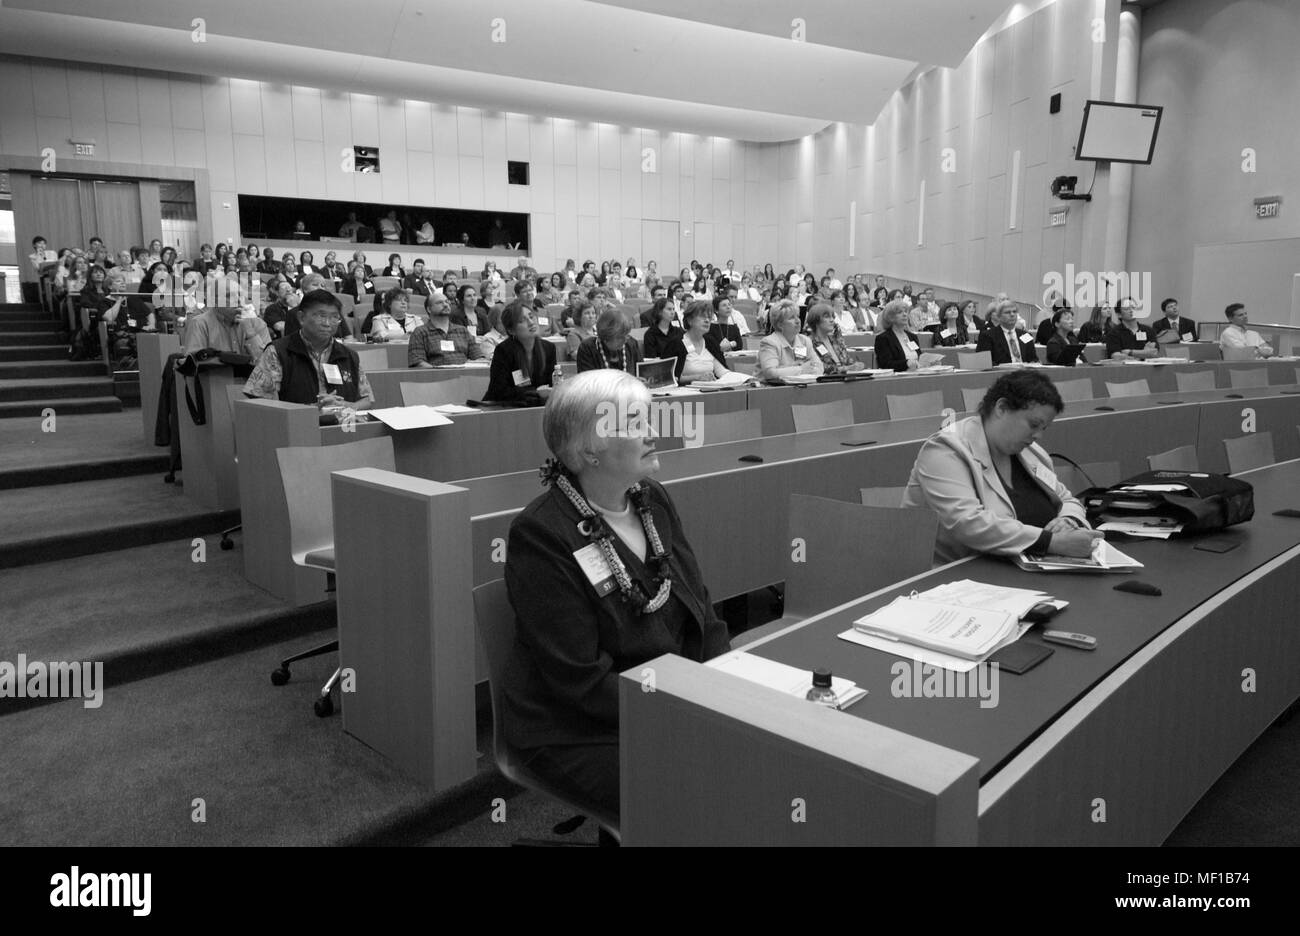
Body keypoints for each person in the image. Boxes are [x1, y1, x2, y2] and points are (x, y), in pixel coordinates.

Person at [502, 370, 730, 820]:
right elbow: (580, 682)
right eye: (633, 424)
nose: (652, 432)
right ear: (589, 451)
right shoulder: (543, 534)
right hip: (578, 726)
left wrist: (727, 679)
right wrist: (682, 711)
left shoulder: (651, 499)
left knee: (760, 752)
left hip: (667, 694)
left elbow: (700, 608)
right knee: (708, 787)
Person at [901, 370, 1100, 565]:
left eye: (1043, 428)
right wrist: (1052, 542)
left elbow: (1066, 498)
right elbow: (968, 524)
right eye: (1033, 424)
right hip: (954, 579)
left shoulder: (1031, 452)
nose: (1038, 435)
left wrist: (1068, 521)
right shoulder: (946, 449)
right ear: (1002, 408)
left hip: (1022, 569)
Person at [243, 290, 373, 409]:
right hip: (296, 429)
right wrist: (310, 409)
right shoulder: (278, 351)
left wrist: (344, 405)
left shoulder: (349, 355)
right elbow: (259, 398)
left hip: (343, 429)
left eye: (334, 317)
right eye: (321, 316)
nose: (327, 323)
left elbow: (366, 401)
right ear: (301, 318)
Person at [484, 303, 556, 404]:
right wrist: (535, 393)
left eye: (531, 316)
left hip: (537, 405)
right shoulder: (504, 351)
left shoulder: (548, 348)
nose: (531, 322)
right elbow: (499, 390)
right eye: (522, 321)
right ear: (511, 330)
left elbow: (551, 383)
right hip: (504, 408)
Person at [181, 280, 271, 359]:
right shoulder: (200, 324)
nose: (238, 300)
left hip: (252, 378)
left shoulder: (258, 324)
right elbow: (193, 364)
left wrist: (250, 333)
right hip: (216, 376)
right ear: (214, 300)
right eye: (229, 295)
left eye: (240, 294)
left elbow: (268, 364)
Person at [408, 292, 482, 366]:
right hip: (436, 376)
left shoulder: (463, 331)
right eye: (439, 302)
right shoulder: (420, 332)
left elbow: (478, 357)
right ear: (429, 309)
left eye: (447, 302)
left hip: (464, 375)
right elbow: (417, 362)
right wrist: (441, 373)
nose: (445, 305)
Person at [758, 300, 824, 379]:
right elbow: (770, 373)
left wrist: (785, 369)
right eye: (791, 318)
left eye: (797, 316)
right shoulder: (770, 342)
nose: (797, 321)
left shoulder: (804, 341)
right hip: (768, 389)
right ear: (780, 325)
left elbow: (819, 366)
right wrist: (801, 369)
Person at [675, 302, 732, 385]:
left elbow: (722, 371)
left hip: (709, 391)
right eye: (702, 317)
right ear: (690, 320)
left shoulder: (710, 342)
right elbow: (671, 378)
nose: (707, 320)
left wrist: (742, 378)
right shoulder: (677, 343)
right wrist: (697, 377)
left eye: (709, 317)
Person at [576, 309, 643, 375]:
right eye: (620, 337)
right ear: (606, 337)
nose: (625, 340)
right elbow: (587, 382)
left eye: (626, 334)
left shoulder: (631, 344)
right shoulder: (587, 348)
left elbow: (642, 373)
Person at [806, 303, 864, 375]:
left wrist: (857, 365)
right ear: (816, 320)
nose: (832, 320)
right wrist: (846, 368)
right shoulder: (809, 342)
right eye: (827, 317)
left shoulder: (836, 341)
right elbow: (818, 368)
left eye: (833, 317)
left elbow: (849, 361)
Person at [976, 299, 1036, 365]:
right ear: (999, 316)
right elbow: (983, 362)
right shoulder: (987, 336)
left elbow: (1033, 359)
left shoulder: (1026, 335)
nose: (1012, 314)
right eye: (1007, 312)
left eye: (1014, 312)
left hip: (1024, 372)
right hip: (1000, 373)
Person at [874, 298, 923, 372]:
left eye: (906, 312)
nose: (904, 314)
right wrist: (906, 363)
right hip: (895, 379)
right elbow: (885, 364)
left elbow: (919, 359)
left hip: (916, 376)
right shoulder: (883, 338)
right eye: (900, 312)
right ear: (890, 317)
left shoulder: (913, 337)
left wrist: (929, 362)